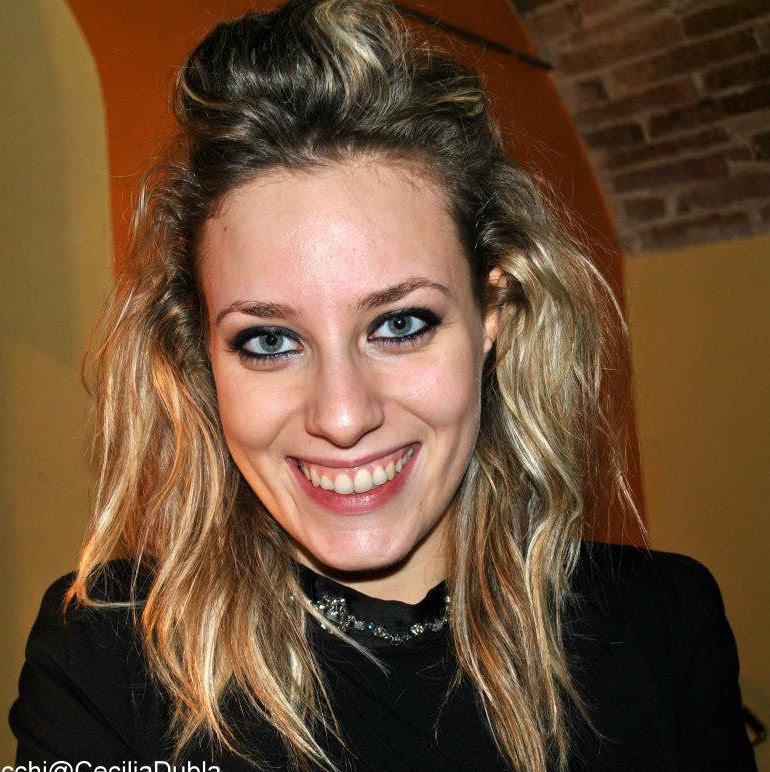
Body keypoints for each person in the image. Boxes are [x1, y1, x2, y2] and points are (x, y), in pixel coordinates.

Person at [9, 1, 757, 770]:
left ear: (492, 315)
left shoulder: (663, 628)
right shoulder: (104, 665)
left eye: (399, 324)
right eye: (270, 340)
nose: (342, 416)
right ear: (201, 354)